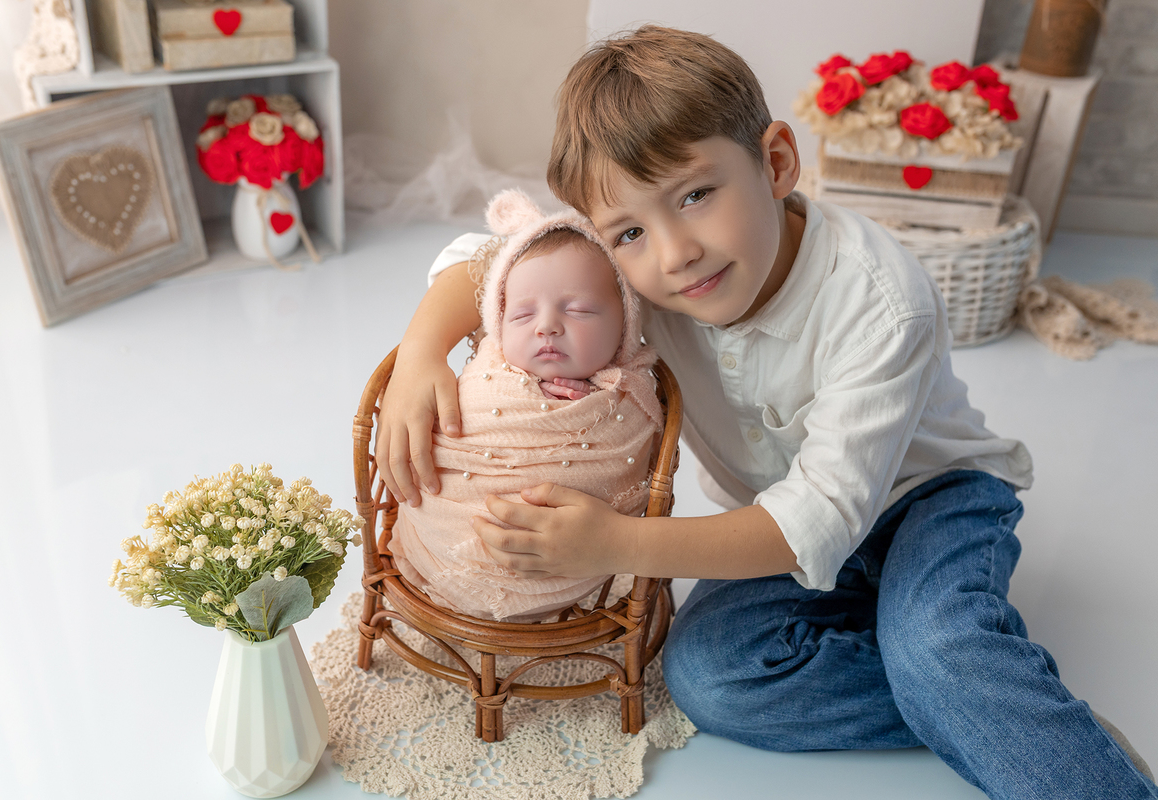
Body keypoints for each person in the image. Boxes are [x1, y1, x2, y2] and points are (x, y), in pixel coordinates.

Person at [375, 25, 1156, 798]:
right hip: (773, 521)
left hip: (931, 501)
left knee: (936, 647)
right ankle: (988, 706)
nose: (675, 251)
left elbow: (818, 517)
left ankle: (1003, 709)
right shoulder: (644, 280)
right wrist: (420, 352)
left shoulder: (881, 301)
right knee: (707, 675)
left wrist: (614, 542)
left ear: (776, 162)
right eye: (632, 231)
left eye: (697, 194)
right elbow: (493, 256)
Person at [387, 188, 663, 622]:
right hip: (442, 543)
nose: (548, 326)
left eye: (578, 310)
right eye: (521, 316)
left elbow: (631, 462)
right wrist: (420, 351)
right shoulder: (487, 370)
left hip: (583, 556)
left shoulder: (627, 392)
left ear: (625, 325)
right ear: (495, 324)